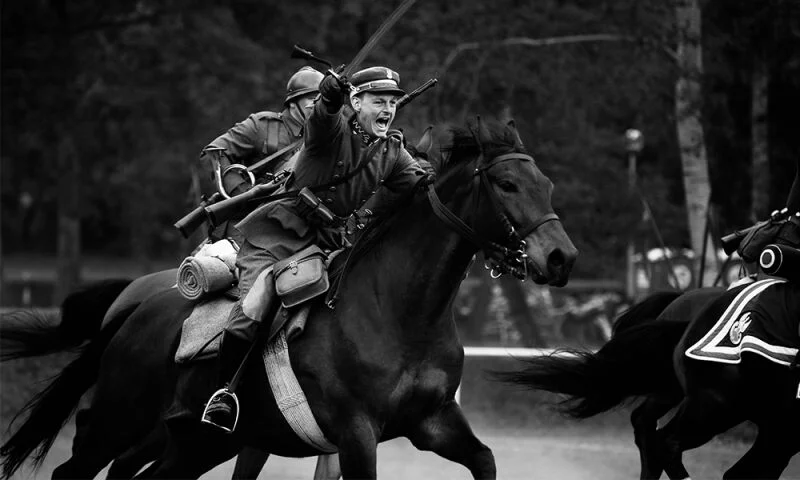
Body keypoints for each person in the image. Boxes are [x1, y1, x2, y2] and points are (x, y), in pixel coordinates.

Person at [201, 66, 434, 432]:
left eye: (392, 102)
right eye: (378, 101)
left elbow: (422, 190)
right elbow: (324, 114)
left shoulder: (392, 150)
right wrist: (329, 94)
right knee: (253, 308)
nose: (388, 109)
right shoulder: (331, 129)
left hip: (331, 243)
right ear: (356, 102)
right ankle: (223, 394)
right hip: (277, 235)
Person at [200, 66, 324, 245]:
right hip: (247, 224)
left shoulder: (324, 138)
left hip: (299, 227)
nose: (317, 104)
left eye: (321, 100)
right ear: (293, 102)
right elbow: (213, 153)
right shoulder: (262, 125)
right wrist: (242, 191)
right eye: (312, 98)